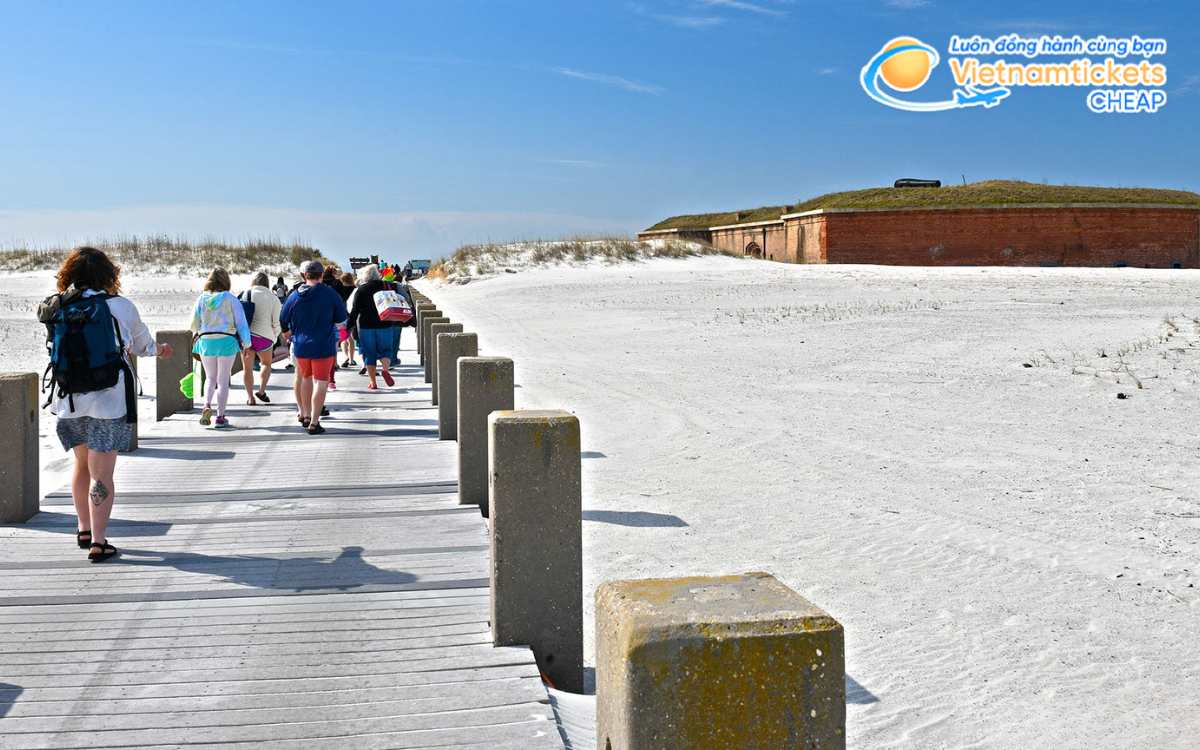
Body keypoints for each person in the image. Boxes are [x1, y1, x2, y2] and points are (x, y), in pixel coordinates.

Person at [45, 247, 174, 563]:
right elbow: (143, 346)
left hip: (69, 399)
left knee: (81, 466)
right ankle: (99, 542)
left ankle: (84, 529)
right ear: (108, 274)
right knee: (101, 474)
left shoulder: (59, 306)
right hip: (108, 401)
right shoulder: (121, 306)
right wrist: (161, 350)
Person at [281, 260, 347, 434]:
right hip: (323, 345)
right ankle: (314, 422)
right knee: (321, 382)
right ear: (321, 275)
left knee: (306, 379)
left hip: (301, 345)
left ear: (305, 275)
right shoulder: (329, 293)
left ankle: (306, 415)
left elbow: (283, 318)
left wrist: (287, 333)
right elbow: (341, 319)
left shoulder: (295, 295)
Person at [191, 268, 251, 428]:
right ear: (226, 281)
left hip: (206, 341)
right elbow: (241, 323)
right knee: (223, 380)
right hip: (226, 341)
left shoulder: (201, 299)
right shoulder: (231, 299)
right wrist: (247, 343)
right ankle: (220, 417)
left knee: (210, 378)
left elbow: (193, 324)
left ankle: (206, 405)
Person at [346, 264, 396, 389]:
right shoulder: (387, 286)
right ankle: (385, 370)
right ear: (377, 274)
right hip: (385, 323)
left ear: (365, 276)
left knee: (369, 354)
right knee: (386, 351)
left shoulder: (361, 290)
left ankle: (373, 382)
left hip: (366, 326)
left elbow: (355, 311)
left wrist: (349, 326)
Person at [240, 271, 282, 406]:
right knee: (266, 364)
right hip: (265, 337)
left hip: (247, 336)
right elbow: (276, 322)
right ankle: (261, 391)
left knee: (247, 369)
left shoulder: (246, 293)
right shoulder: (273, 298)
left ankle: (250, 398)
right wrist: (274, 337)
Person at [338, 271, 357, 367]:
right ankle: (351, 359)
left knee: (343, 338)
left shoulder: (339, 289)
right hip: (351, 316)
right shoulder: (355, 289)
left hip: (341, 316)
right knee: (351, 338)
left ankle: (346, 356)